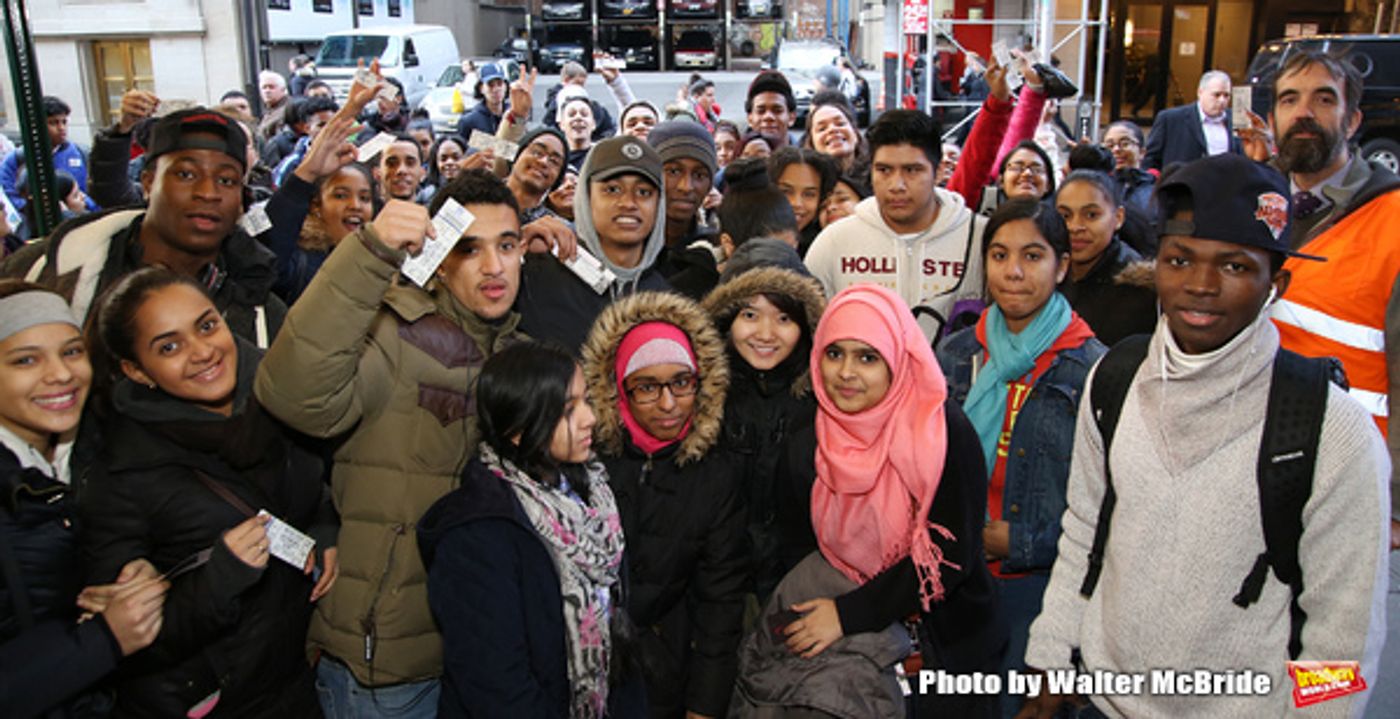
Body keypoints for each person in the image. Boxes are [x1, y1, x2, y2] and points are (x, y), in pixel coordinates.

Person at [1020, 153, 1389, 718]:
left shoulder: (1331, 430)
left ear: (1277, 283)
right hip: (1103, 702)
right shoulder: (1114, 381)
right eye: (1179, 259)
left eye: (1235, 266)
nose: (1200, 285)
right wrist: (1050, 668)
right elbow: (1084, 535)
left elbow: (1343, 644)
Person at [255, 171, 528, 717]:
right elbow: (295, 396)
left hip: (479, 655)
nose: (494, 267)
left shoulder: (518, 355)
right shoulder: (395, 333)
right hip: (388, 671)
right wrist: (370, 254)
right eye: (469, 248)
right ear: (440, 257)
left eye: (507, 245)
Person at [83, 267, 335, 717]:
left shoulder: (280, 397)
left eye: (206, 325)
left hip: (297, 680)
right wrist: (221, 578)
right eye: (169, 346)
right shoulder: (123, 473)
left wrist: (326, 531)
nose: (202, 352)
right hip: (218, 703)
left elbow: (311, 493)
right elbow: (126, 642)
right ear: (136, 371)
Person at [754, 283, 1004, 717]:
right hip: (851, 650)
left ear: (898, 359)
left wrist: (849, 614)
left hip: (948, 645)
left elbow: (950, 555)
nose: (846, 373)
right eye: (834, 354)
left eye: (867, 357)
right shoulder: (808, 439)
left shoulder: (940, 429)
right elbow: (794, 552)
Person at [1245, 51, 1400, 715]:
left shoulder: (1391, 220)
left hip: (1355, 491)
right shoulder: (1258, 208)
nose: (1303, 111)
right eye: (1288, 98)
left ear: (1354, 118)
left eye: (1323, 98)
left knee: (1330, 662)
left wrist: (1395, 500)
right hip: (1258, 479)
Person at [935, 200, 1105, 718]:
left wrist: (1024, 540)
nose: (1012, 272)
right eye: (1000, 255)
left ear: (1062, 266)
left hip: (1042, 591)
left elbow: (1109, 512)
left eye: (1032, 256)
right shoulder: (957, 352)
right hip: (956, 581)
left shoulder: (1093, 368)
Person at [417, 342, 643, 717]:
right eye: (569, 409)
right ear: (519, 430)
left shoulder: (593, 498)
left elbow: (620, 642)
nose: (590, 418)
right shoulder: (477, 535)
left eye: (586, 400)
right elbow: (496, 687)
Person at [0, 281, 169, 718]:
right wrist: (102, 640)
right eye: (25, 360)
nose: (61, 374)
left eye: (72, 351)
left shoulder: (88, 450)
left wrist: (133, 567)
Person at [579, 291, 749, 718]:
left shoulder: (716, 473)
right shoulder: (587, 458)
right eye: (647, 387)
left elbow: (720, 603)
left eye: (681, 382)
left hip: (669, 671)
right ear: (619, 389)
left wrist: (704, 707)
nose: (669, 404)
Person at [0, 107, 286, 348]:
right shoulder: (46, 271)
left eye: (226, 180)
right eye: (186, 174)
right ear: (149, 183)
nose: (208, 192)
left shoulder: (262, 310)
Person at [701, 251, 826, 602]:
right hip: (718, 582)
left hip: (801, 582)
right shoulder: (703, 395)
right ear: (726, 318)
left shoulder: (822, 399)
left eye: (784, 318)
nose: (766, 334)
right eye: (750, 315)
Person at [804, 109, 987, 344]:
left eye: (912, 170)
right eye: (884, 170)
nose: (896, 185)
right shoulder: (833, 242)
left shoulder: (981, 238)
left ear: (939, 170)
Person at [516, 135, 671, 351]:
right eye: (612, 189)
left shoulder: (667, 302)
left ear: (658, 204)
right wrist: (511, 249)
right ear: (586, 197)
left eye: (644, 192)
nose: (628, 203)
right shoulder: (537, 272)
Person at [1054, 169, 1157, 347]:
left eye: (1091, 215)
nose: (1075, 226)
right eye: (1065, 216)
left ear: (1118, 218)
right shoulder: (1049, 272)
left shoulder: (1137, 289)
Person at [648, 121, 720, 297]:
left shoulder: (717, 250)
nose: (686, 186)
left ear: (710, 183)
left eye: (699, 175)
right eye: (673, 171)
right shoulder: (623, 246)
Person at [0, 96, 98, 214]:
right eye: (53, 123)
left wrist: (84, 206)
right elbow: (9, 196)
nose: (61, 128)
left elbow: (97, 194)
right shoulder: (16, 159)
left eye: (64, 122)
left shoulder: (82, 153)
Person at [1142, 69, 1240, 171]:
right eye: (1217, 95)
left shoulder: (1237, 120)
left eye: (1226, 95)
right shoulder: (1171, 119)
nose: (1222, 100)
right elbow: (1150, 159)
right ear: (1200, 92)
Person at [769, 147, 838, 256]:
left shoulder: (825, 247)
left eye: (809, 194)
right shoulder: (742, 241)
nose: (797, 203)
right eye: (786, 191)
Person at [542, 61, 623, 140]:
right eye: (577, 83)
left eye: (582, 85)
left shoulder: (593, 107)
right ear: (566, 80)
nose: (580, 88)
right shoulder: (555, 104)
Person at [506, 126, 569, 223]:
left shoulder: (556, 228)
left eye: (554, 161)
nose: (543, 162)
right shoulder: (477, 198)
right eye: (537, 152)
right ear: (517, 156)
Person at [801, 94, 870, 178]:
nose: (832, 129)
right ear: (811, 143)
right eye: (822, 129)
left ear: (855, 132)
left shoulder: (875, 174)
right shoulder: (805, 181)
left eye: (840, 124)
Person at [1101, 120, 1155, 215]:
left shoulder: (1155, 189)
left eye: (1125, 144)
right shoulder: (1098, 188)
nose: (1116, 149)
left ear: (1142, 152)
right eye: (1110, 145)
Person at [456, 62, 513, 137]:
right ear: (481, 88)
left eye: (500, 84)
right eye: (490, 85)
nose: (496, 89)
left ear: (506, 86)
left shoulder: (513, 115)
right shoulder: (469, 121)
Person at [746, 70, 797, 150]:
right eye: (761, 111)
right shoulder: (735, 158)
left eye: (777, 111)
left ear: (791, 117)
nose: (768, 117)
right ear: (749, 119)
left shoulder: (807, 160)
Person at [374, 133, 428, 203]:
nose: (401, 170)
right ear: (377, 172)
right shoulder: (362, 212)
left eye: (410, 163)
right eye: (392, 164)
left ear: (422, 172)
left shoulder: (434, 213)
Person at [559, 93, 599, 171]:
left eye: (584, 114)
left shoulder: (604, 156)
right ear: (562, 125)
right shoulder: (557, 161)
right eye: (571, 114)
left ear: (593, 124)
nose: (578, 117)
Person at [257, 70, 292, 140]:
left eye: (271, 87)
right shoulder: (270, 110)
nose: (267, 91)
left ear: (283, 89)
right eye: (264, 87)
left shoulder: (288, 110)